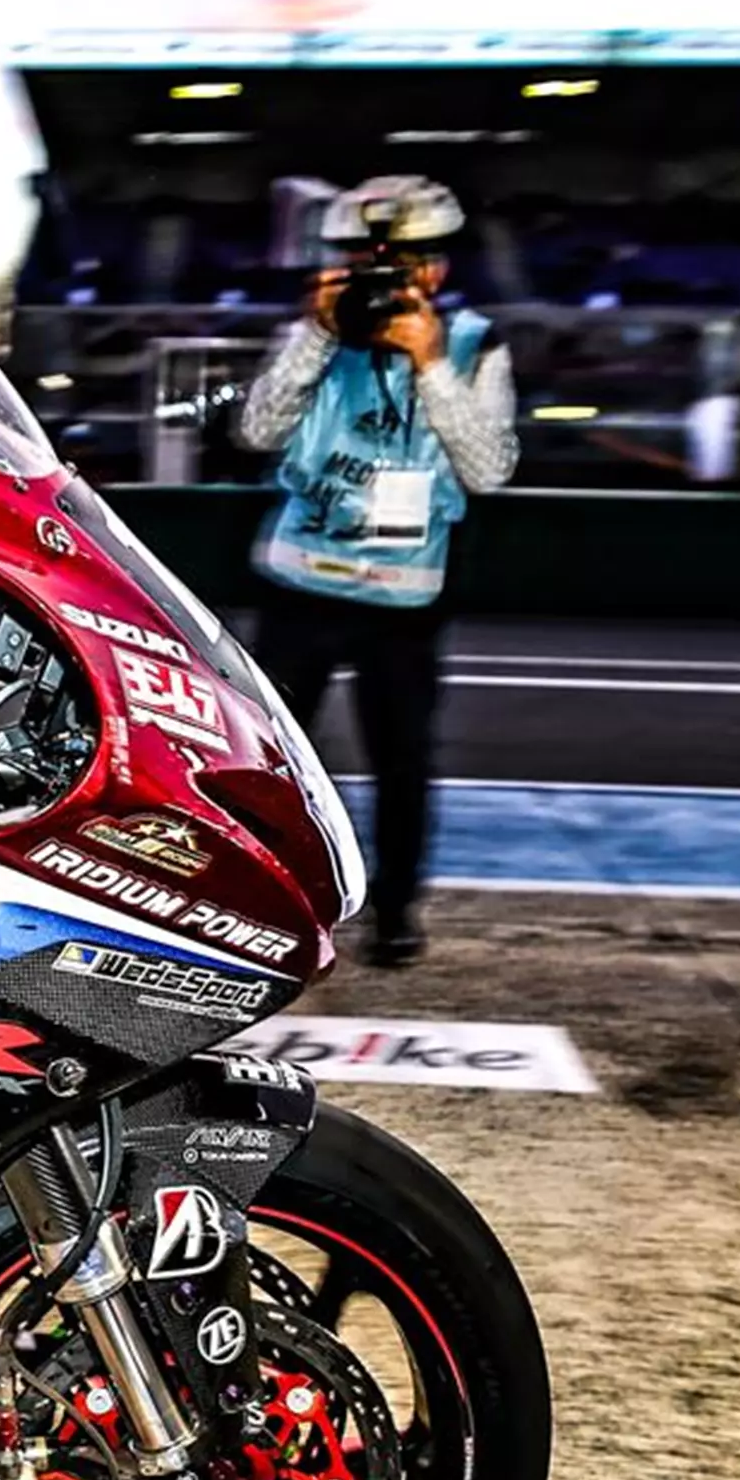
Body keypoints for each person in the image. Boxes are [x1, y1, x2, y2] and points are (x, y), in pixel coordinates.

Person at [238, 175, 515, 968]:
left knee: (403, 761)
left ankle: (395, 911)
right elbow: (257, 431)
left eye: (405, 263)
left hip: (405, 594)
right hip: (300, 583)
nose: (384, 280)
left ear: (437, 272)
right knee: (272, 760)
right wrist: (315, 337)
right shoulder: (316, 330)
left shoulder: (474, 344)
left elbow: (490, 470)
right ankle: (267, 903)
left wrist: (431, 366)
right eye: (365, 261)